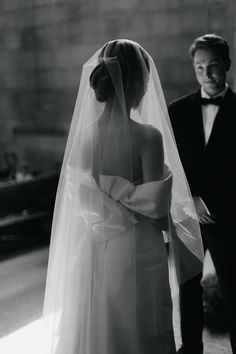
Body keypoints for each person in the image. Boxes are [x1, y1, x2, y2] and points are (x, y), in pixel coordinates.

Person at [42, 39, 203, 354]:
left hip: (94, 250)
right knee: (141, 331)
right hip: (138, 251)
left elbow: (82, 205)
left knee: (101, 332)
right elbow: (157, 213)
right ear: (136, 83)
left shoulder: (84, 139)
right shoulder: (147, 137)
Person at [168, 34, 236, 354]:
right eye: (199, 68)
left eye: (213, 67)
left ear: (228, 66)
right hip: (188, 214)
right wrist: (189, 198)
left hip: (231, 217)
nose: (206, 75)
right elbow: (169, 165)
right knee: (187, 287)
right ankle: (191, 347)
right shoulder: (177, 111)